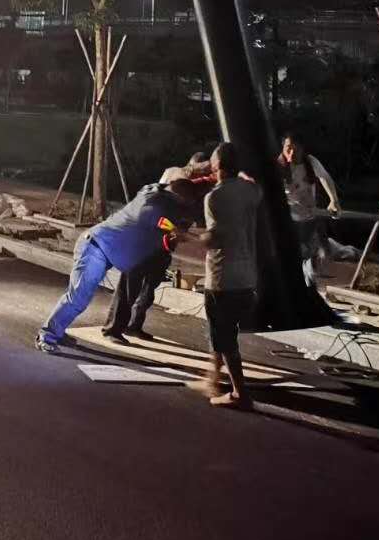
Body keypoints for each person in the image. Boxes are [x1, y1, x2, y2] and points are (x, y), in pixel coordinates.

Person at [37, 178, 199, 353]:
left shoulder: (154, 193)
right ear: (178, 198)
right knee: (78, 298)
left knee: (78, 297)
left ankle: (57, 331)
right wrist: (195, 238)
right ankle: (47, 335)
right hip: (94, 248)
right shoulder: (154, 206)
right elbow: (166, 225)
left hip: (102, 249)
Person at [103, 155, 215, 341]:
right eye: (203, 169)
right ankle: (112, 329)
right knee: (129, 288)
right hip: (142, 243)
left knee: (148, 290)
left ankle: (134, 325)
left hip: (163, 246)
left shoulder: (196, 187)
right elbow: (158, 218)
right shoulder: (174, 175)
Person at [186, 142, 262, 410]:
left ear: (216, 166)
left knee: (224, 336)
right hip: (247, 274)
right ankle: (213, 378)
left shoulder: (214, 197)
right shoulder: (252, 191)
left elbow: (215, 238)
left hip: (222, 276)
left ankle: (240, 394)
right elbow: (255, 187)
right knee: (222, 334)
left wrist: (189, 236)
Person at [279, 135, 340, 281]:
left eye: (296, 149)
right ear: (283, 149)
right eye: (288, 149)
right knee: (297, 256)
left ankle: (314, 280)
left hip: (312, 217)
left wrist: (334, 200)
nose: (292, 154)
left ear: (302, 149)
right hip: (291, 222)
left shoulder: (310, 162)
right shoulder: (278, 167)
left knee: (324, 254)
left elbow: (325, 177)